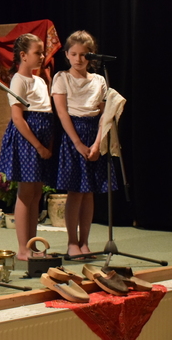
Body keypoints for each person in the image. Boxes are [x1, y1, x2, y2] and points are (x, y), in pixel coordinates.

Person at [51, 30, 113, 259]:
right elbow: (62, 112)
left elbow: (105, 114)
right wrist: (77, 143)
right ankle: (72, 242)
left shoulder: (99, 80)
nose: (78, 59)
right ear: (67, 54)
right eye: (74, 54)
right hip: (73, 135)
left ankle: (85, 242)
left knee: (89, 193)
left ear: (91, 56)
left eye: (84, 55)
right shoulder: (62, 78)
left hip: (94, 134)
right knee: (76, 192)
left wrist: (97, 144)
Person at [0, 34, 54, 261]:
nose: (42, 56)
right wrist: (38, 145)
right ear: (23, 55)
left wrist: (48, 142)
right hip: (28, 142)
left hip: (42, 139)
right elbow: (18, 118)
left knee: (36, 193)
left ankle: (32, 243)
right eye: (37, 52)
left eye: (42, 52)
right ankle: (23, 248)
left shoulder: (40, 81)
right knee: (26, 193)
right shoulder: (18, 80)